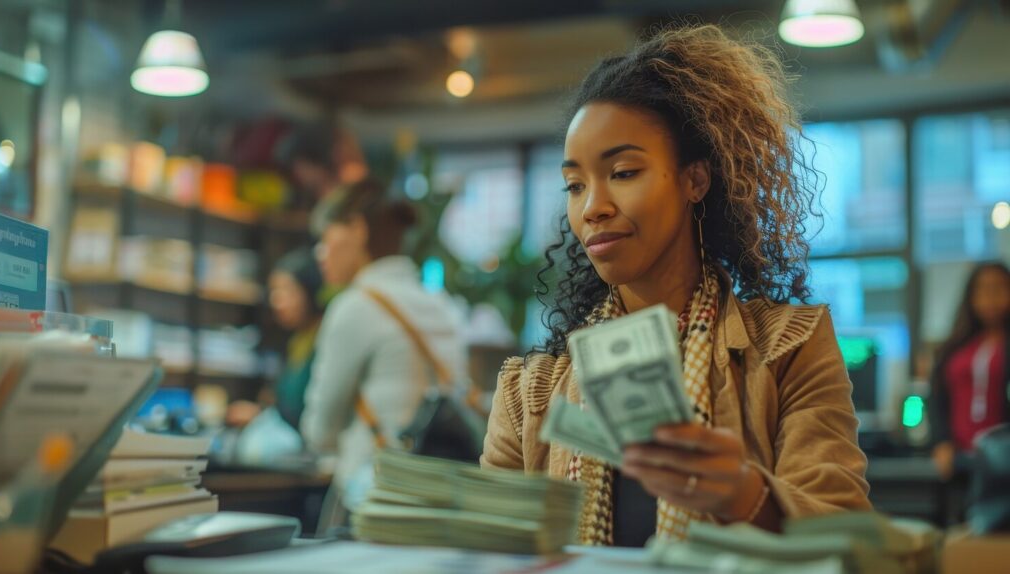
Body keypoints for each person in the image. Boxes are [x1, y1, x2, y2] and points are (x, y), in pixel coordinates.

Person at [481, 25, 871, 547]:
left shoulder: (788, 349)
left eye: (622, 172)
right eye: (575, 185)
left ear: (695, 180)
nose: (592, 206)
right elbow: (487, 550)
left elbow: (844, 526)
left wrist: (744, 495)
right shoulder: (530, 391)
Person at [300, 177, 468, 510]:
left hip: (375, 498)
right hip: (443, 494)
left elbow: (318, 432)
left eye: (325, 236)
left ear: (358, 230)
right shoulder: (441, 305)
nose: (320, 252)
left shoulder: (355, 306)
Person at [226, 249, 326, 432]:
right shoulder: (296, 340)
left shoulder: (324, 340)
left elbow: (304, 409)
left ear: (310, 291)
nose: (276, 301)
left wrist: (259, 415)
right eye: (274, 291)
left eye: (287, 291)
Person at [929, 262, 1010, 481]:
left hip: (1003, 461)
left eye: (999, 288)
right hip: (958, 459)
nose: (991, 297)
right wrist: (941, 442)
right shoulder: (955, 346)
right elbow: (936, 396)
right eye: (983, 289)